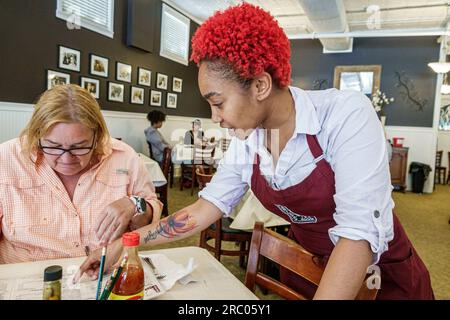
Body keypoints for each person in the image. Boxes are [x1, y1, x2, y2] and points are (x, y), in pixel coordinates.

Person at [75, 4, 434, 299]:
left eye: (217, 102)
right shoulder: (250, 140)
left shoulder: (344, 114)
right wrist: (125, 246)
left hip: (380, 278)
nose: (215, 118)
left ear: (260, 84)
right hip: (312, 271)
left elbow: (357, 236)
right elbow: (201, 210)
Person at [0, 84, 162, 264]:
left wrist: (136, 204)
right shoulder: (6, 160)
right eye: (53, 146)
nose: (67, 159)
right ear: (36, 135)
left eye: (79, 147)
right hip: (25, 280)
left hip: (105, 276)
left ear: (98, 136)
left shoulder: (125, 157)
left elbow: (149, 217)